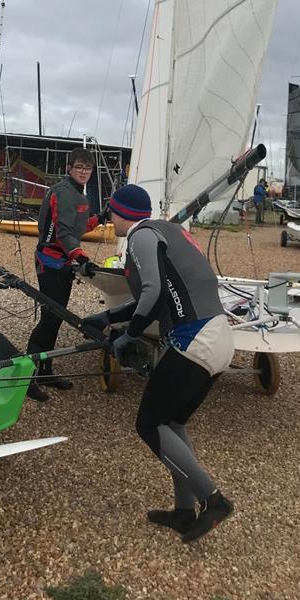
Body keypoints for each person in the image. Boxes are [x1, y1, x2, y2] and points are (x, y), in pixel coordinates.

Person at [81, 183, 235, 544]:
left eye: (111, 211)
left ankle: (213, 500)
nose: (110, 217)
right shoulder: (168, 230)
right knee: (172, 423)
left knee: (148, 425)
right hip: (217, 338)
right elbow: (158, 294)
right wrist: (106, 319)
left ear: (123, 213)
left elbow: (152, 292)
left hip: (194, 341)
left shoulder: (140, 237)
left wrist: (129, 335)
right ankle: (184, 511)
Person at [26, 147, 107, 401]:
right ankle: (27, 377)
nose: (84, 171)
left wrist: (100, 219)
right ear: (69, 168)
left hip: (63, 263)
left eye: (88, 168)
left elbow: (77, 227)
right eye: (79, 167)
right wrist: (80, 257)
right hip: (50, 262)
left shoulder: (78, 195)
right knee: (50, 318)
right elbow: (62, 232)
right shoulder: (62, 192)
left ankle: (46, 371)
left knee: (57, 318)